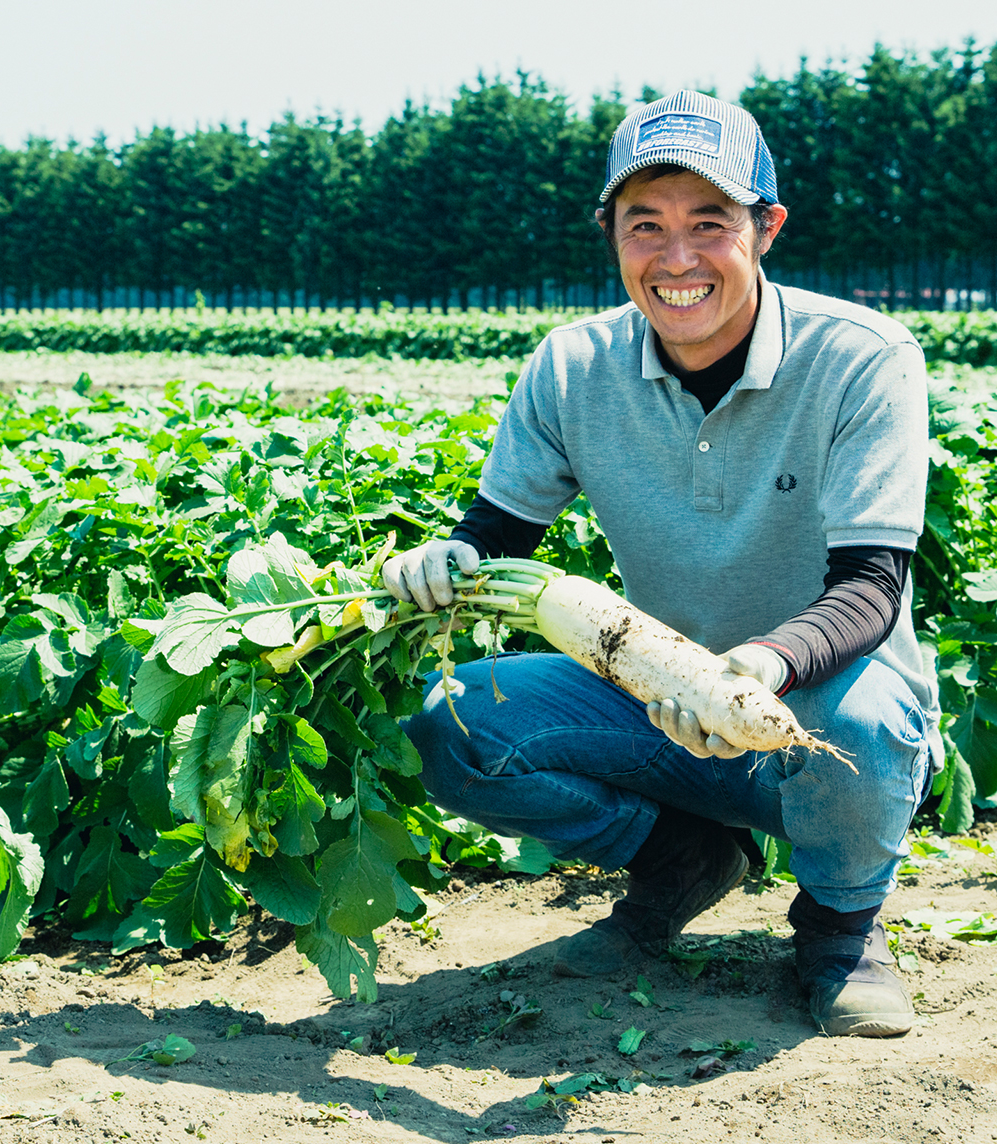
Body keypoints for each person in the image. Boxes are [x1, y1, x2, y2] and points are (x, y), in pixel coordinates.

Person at [383, 90, 936, 1038]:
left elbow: (870, 587)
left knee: (873, 720)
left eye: (709, 224)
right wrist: (450, 558)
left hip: (814, 707)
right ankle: (685, 860)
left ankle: (842, 929)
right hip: (653, 700)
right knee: (455, 723)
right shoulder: (569, 366)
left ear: (766, 228)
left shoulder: (862, 357)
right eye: (646, 225)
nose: (676, 259)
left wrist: (754, 670)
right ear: (611, 234)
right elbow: (501, 533)